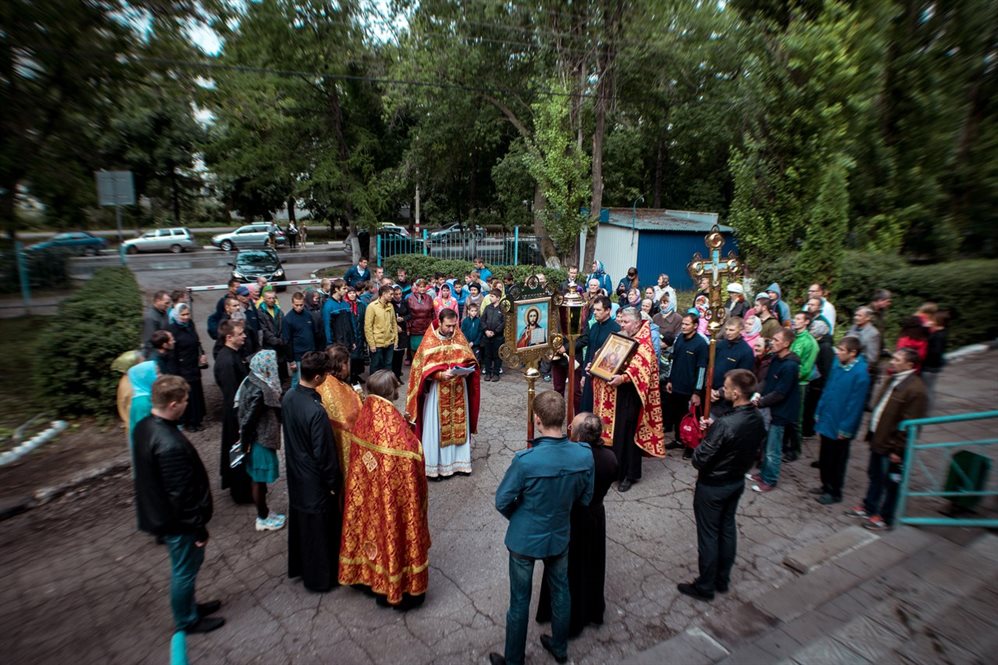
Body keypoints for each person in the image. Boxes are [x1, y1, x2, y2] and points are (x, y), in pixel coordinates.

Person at [490, 391, 594, 665]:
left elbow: (502, 501)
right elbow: (585, 498)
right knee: (561, 590)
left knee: (520, 601)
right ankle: (559, 647)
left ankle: (514, 659)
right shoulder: (584, 456)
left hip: (525, 538)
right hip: (559, 533)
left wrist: (520, 516)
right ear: (564, 419)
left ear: (537, 420)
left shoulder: (527, 460)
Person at [132, 375, 223, 634]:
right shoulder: (168, 444)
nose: (187, 405)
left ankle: (191, 606)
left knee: (184, 569)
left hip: (163, 513)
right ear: (172, 404)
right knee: (184, 570)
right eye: (184, 401)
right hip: (178, 522)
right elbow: (181, 494)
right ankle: (187, 620)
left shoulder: (144, 426)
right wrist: (198, 528)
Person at [338, 370, 431, 609]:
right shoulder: (393, 430)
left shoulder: (365, 415)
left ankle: (369, 578)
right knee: (393, 531)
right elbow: (412, 456)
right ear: (392, 392)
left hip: (368, 495)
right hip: (391, 497)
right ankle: (400, 587)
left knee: (372, 530)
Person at [677, 369, 766, 602]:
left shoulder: (726, 424)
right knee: (727, 529)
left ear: (736, 393)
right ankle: (722, 579)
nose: (722, 390)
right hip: (736, 480)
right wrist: (714, 431)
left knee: (709, 535)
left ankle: (705, 585)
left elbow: (699, 459)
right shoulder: (756, 417)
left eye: (726, 387)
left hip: (714, 484)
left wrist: (709, 436)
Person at [535, 412, 618, 637]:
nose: (569, 426)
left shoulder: (571, 460)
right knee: (590, 564)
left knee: (569, 571)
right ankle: (591, 611)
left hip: (573, 518)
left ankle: (569, 622)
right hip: (596, 516)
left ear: (579, 434)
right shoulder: (610, 458)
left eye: (573, 425)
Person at [845, 348, 927, 531]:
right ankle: (869, 506)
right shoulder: (893, 378)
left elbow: (911, 424)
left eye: (897, 359)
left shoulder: (916, 390)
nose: (893, 361)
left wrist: (898, 450)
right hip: (878, 438)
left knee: (891, 482)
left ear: (910, 365)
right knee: (874, 475)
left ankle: (885, 516)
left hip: (892, 446)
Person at [283, 352, 343, 592]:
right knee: (319, 532)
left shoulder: (289, 396)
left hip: (296, 473)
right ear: (318, 377)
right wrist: (333, 482)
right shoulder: (316, 411)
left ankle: (301, 567)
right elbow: (324, 454)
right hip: (314, 480)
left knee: (303, 527)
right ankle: (321, 579)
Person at [592, 307, 666, 491]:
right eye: (622, 321)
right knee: (618, 434)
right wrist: (595, 366)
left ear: (637, 322)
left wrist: (623, 378)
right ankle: (616, 471)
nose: (622, 324)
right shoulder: (622, 336)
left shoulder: (644, 342)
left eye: (625, 322)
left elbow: (640, 368)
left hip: (632, 395)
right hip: (617, 393)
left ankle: (630, 475)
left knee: (628, 435)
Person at [405, 308, 480, 479]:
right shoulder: (429, 340)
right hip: (438, 392)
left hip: (459, 389)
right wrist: (438, 374)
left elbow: (469, 359)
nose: (452, 330)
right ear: (440, 322)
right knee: (437, 428)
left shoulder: (458, 336)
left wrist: (467, 369)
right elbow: (420, 370)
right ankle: (436, 468)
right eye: (448, 326)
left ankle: (460, 464)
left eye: (454, 325)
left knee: (459, 425)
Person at [813, 336, 869, 505]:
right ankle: (825, 485)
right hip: (828, 418)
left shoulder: (861, 374)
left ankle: (834, 491)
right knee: (825, 456)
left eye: (842, 350)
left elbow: (855, 406)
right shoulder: (838, 365)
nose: (837, 352)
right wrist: (819, 410)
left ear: (853, 353)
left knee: (837, 460)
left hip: (840, 425)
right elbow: (827, 389)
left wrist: (845, 429)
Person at [237, 350, 287, 532]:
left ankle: (265, 511)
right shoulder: (262, 390)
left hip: (256, 439)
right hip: (260, 440)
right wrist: (244, 444)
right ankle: (262, 518)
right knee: (258, 479)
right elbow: (249, 420)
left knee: (258, 479)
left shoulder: (252, 379)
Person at [749, 329, 801, 493]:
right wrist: (756, 394)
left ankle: (770, 479)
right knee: (766, 443)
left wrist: (761, 402)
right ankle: (764, 472)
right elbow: (767, 381)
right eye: (772, 339)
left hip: (781, 412)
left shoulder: (790, 366)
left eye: (777, 339)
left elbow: (780, 393)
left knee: (773, 447)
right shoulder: (775, 359)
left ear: (786, 343)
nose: (772, 342)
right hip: (770, 408)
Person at [215, 320, 254, 506]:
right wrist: (242, 422)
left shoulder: (233, 355)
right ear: (229, 337)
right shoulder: (227, 361)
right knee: (238, 452)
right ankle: (241, 492)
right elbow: (233, 396)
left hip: (239, 414)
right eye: (240, 333)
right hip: (236, 417)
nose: (244, 336)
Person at [664, 313, 708, 457]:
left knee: (689, 419)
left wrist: (697, 392)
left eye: (687, 324)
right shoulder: (679, 340)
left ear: (695, 326)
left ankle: (690, 446)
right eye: (683, 324)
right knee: (677, 416)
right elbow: (673, 360)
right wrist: (670, 380)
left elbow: (702, 369)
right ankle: (678, 439)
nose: (683, 326)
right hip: (676, 385)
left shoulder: (701, 344)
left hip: (690, 390)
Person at [317, 344, 363, 473]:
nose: (348, 367)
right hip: (342, 446)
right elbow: (352, 419)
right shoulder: (336, 389)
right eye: (347, 363)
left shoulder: (323, 382)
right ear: (341, 364)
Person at [577, 296, 621, 412]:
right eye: (594, 310)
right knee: (587, 407)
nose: (595, 313)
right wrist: (583, 375)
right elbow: (589, 351)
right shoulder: (594, 327)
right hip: (589, 373)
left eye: (598, 310)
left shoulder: (616, 330)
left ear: (607, 310)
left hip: (603, 378)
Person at [168, 303, 207, 431]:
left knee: (196, 393)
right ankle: (189, 421)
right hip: (182, 367)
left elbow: (197, 341)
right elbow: (172, 354)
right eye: (182, 314)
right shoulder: (172, 329)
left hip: (193, 365)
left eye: (187, 314)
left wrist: (201, 355)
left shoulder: (190, 325)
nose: (185, 317)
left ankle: (197, 419)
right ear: (177, 315)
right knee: (187, 395)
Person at [363, 284, 397, 375]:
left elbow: (394, 323)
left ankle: (388, 385)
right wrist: (371, 344)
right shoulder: (372, 306)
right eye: (391, 294)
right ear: (383, 294)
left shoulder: (390, 306)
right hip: (377, 342)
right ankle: (374, 387)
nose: (392, 296)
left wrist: (395, 340)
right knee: (375, 365)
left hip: (389, 341)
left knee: (388, 365)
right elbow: (368, 327)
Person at [126, 361, 159, 454]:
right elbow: (145, 433)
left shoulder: (146, 394)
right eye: (156, 373)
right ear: (146, 377)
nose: (160, 375)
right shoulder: (142, 403)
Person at [405, 279, 435, 356]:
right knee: (415, 348)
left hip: (427, 327)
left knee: (427, 348)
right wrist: (408, 328)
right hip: (415, 327)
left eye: (424, 286)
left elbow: (432, 313)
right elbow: (408, 314)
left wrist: (434, 326)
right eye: (420, 286)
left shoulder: (429, 298)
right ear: (417, 287)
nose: (422, 288)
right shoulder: (410, 298)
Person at [481, 288, 506, 382]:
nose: (490, 298)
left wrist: (495, 332)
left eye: (492, 296)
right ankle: (488, 373)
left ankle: (496, 373)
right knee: (487, 355)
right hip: (487, 336)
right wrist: (486, 330)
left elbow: (504, 322)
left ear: (498, 298)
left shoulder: (502, 309)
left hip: (498, 337)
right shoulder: (488, 307)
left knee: (497, 355)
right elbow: (482, 320)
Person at [142, 290, 172, 358]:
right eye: (166, 303)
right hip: (156, 356)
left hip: (165, 353)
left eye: (169, 303)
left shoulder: (164, 313)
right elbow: (149, 341)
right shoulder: (150, 318)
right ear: (158, 301)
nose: (168, 306)